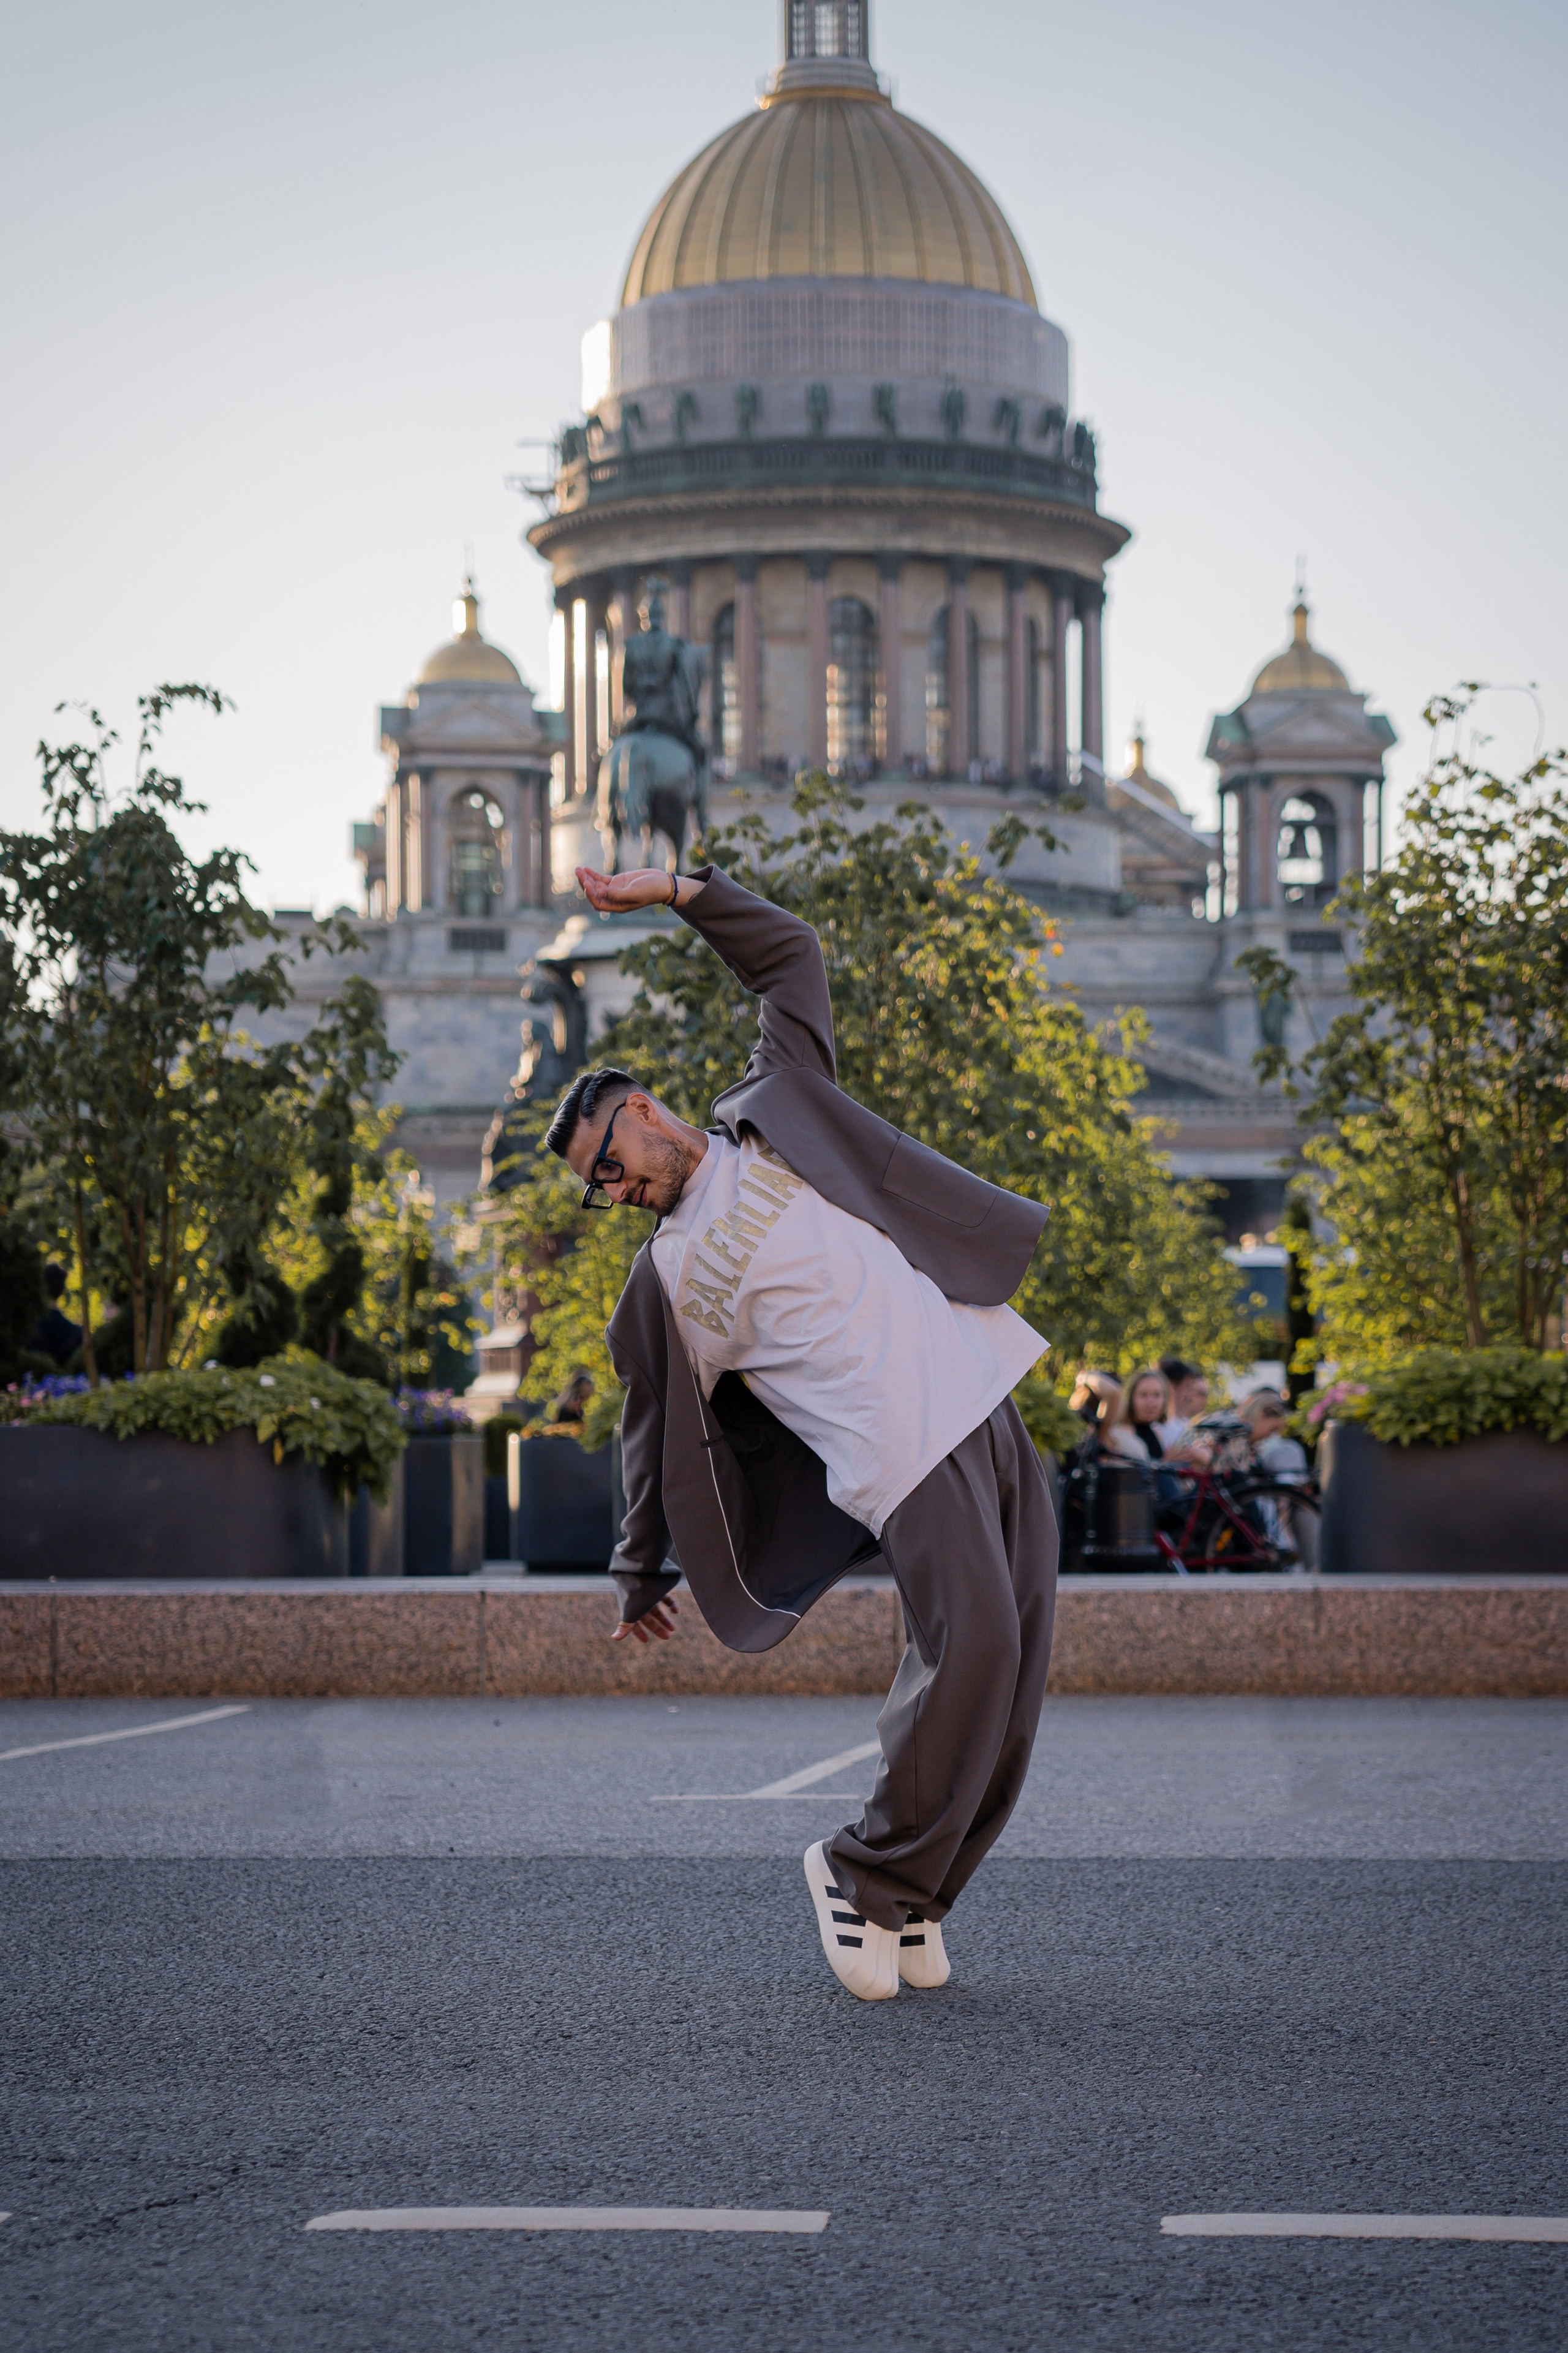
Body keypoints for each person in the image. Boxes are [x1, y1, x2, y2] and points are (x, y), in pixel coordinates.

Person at [549, 858, 1059, 2004]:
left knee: (1016, 1678)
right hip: (897, 1450)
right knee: (969, 1648)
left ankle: (919, 1899)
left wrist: (681, 892)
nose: (612, 1192)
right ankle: (859, 1865)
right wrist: (639, 1575)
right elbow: (650, 1433)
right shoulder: (667, 1283)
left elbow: (791, 959)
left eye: (609, 1167)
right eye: (597, 1191)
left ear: (641, 1111)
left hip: (983, 1393)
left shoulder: (774, 1108)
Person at [1236, 1387, 1319, 1568]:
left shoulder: (1249, 1443)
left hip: (1256, 1503)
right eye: (1273, 1429)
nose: (1272, 1437)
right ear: (1261, 1414)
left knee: (1297, 1510)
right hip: (1247, 1505)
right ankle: (1302, 1566)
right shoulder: (1236, 1437)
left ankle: (1305, 1565)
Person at [1156, 1357, 1210, 1450]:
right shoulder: (1157, 1426)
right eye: (1187, 1387)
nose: (1189, 1395)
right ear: (1172, 1386)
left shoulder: (1182, 1424)